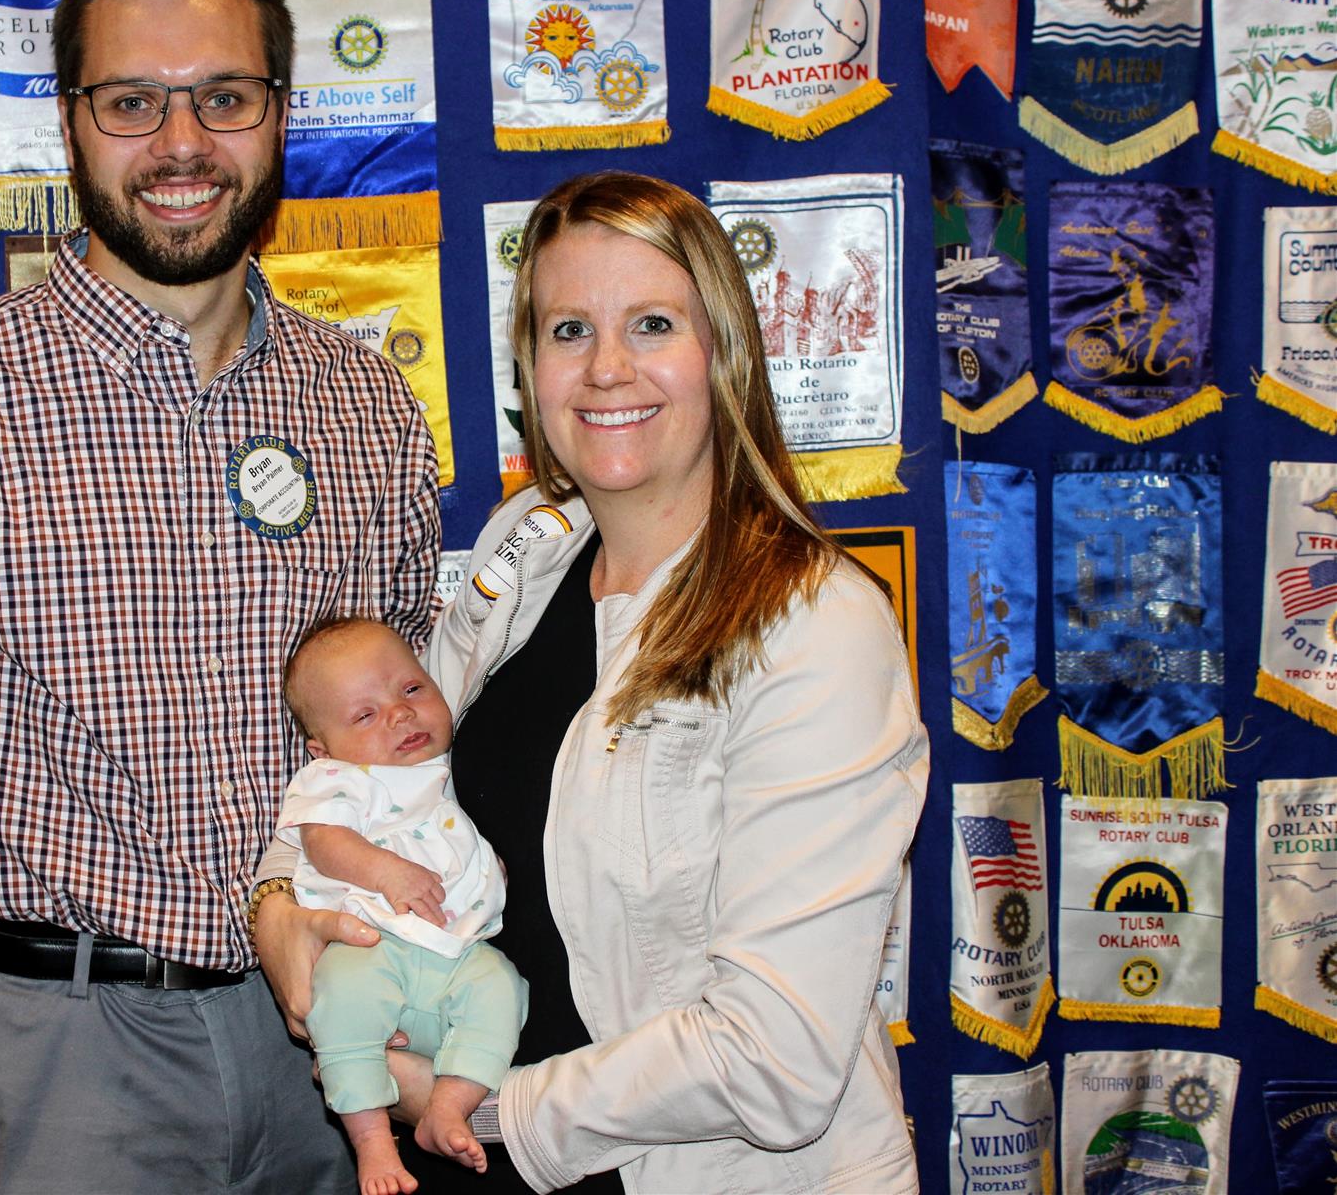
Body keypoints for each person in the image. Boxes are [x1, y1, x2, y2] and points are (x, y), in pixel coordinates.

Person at [0, 0, 440, 1194]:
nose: (183, 144)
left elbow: (406, 744)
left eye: (225, 97)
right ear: (70, 122)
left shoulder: (366, 405)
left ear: (279, 115)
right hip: (60, 1054)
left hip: (344, 1028)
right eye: (134, 102)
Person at [256, 170, 928, 1192]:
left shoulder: (816, 628)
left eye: (653, 324)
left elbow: (777, 1059)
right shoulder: (527, 549)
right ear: (529, 369)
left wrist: (472, 1103)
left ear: (725, 353)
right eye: (569, 330)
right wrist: (280, 904)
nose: (608, 368)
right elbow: (371, 767)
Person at [279, 617, 527, 1195]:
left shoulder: (447, 771)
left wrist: (486, 870)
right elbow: (325, 842)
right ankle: (371, 1140)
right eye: (365, 715)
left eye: (412, 689)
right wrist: (386, 871)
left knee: (504, 990)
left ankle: (449, 1103)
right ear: (322, 749)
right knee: (342, 1005)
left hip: (457, 953)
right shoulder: (338, 779)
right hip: (371, 943)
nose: (400, 714)